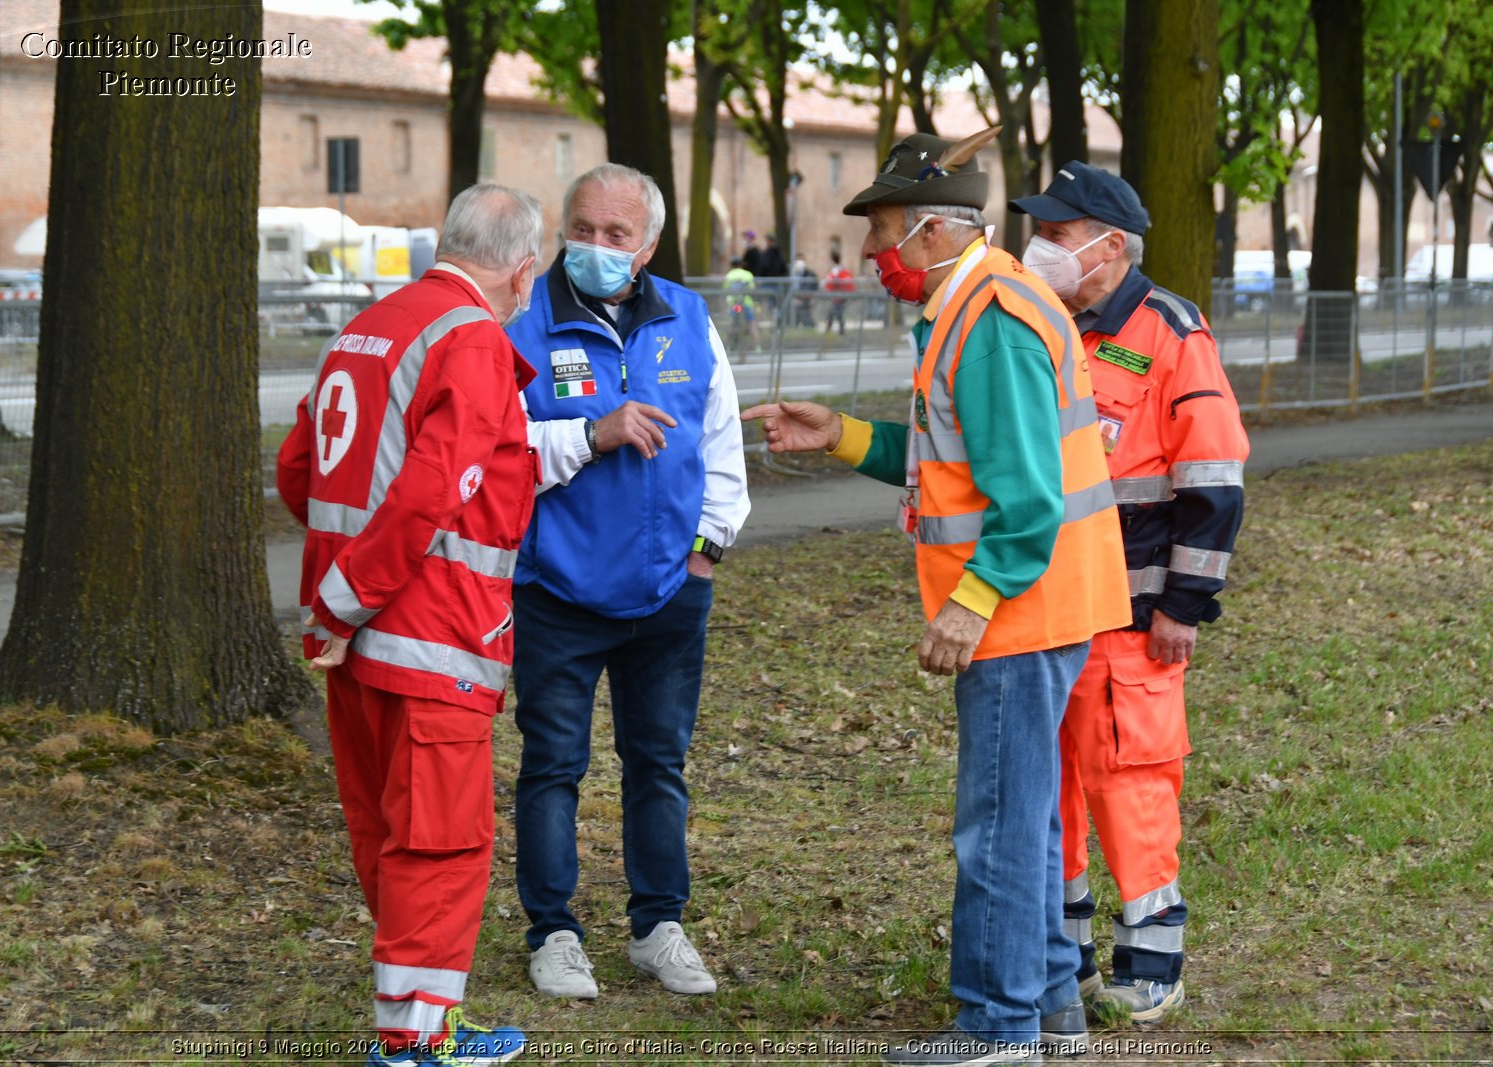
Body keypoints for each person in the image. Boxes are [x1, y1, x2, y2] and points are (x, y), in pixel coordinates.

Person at [743, 130, 1131, 1067]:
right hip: (1051, 603)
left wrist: (970, 602)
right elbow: (943, 465)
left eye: (879, 236)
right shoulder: (973, 306)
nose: (870, 258)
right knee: (1028, 813)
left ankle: (996, 1028)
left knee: (997, 821)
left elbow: (1029, 496)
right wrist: (838, 434)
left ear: (930, 233)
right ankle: (1047, 1011)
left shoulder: (989, 317)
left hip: (1020, 611)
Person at [275, 183, 544, 1067]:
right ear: (524, 269)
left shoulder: (372, 324)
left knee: (385, 831)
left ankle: (414, 1019)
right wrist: (356, 597)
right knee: (441, 839)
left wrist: (335, 603)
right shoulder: (470, 339)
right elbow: (436, 487)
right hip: (428, 636)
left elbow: (300, 468)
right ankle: (415, 1042)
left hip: (350, 640)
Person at [1009, 162, 1249, 1024]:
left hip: (1134, 615)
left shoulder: (1171, 332)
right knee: (1056, 784)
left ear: (1109, 247)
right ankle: (1061, 955)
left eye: (1059, 234)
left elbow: (1215, 481)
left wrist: (1185, 605)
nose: (1041, 246)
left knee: (1130, 780)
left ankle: (1152, 962)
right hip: (1049, 608)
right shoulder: (1046, 323)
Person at [505, 163, 751, 1002]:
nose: (597, 248)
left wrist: (705, 552)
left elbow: (722, 449)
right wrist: (590, 433)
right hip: (558, 594)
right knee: (552, 766)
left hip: (668, 595)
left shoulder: (687, 317)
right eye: (583, 229)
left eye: (617, 235)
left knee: (658, 763)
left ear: (646, 246)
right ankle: (554, 932)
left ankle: (658, 926)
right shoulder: (518, 321)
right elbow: (495, 461)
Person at [723, 256, 759, 355]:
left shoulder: (729, 275)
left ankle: (727, 347)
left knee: (730, 324)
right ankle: (757, 347)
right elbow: (752, 288)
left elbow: (726, 289)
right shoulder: (748, 274)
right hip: (746, 302)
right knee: (752, 324)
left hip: (734, 303)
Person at [822, 250, 855, 336]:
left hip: (838, 295)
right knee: (835, 311)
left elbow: (830, 280)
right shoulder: (840, 269)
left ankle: (838, 329)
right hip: (840, 295)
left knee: (836, 312)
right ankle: (832, 328)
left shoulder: (835, 270)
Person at [791, 256, 818, 327]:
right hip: (797, 298)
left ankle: (810, 325)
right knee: (796, 312)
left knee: (803, 312)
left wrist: (801, 299)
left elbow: (809, 289)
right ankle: (793, 325)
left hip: (805, 299)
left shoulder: (809, 275)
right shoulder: (795, 274)